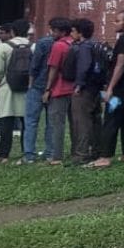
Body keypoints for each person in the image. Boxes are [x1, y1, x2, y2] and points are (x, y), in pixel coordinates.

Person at [88, 11, 124, 168]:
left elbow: (121, 64)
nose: (114, 23)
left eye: (117, 20)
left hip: (122, 83)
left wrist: (111, 87)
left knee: (112, 116)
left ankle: (105, 156)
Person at [22, 17, 65, 165]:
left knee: (31, 121)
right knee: (51, 122)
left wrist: (31, 84)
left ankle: (29, 154)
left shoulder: (43, 43)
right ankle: (50, 152)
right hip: (56, 87)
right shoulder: (66, 44)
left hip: (38, 85)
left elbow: (34, 65)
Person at [0, 21, 31, 164]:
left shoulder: (4, 47)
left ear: (13, 31)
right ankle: (27, 151)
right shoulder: (33, 46)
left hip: (7, 89)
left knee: (6, 123)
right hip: (27, 89)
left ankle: (3, 154)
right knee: (27, 123)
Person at [69, 18, 107, 165]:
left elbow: (83, 67)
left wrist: (79, 85)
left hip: (84, 89)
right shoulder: (97, 45)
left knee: (81, 122)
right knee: (96, 120)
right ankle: (97, 150)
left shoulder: (84, 47)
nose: (71, 33)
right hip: (96, 88)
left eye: (73, 31)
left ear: (80, 33)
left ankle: (82, 154)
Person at [41, 19, 76, 165]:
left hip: (59, 89)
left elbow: (53, 69)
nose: (51, 33)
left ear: (61, 32)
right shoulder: (74, 43)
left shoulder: (58, 46)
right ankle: (77, 152)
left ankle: (57, 156)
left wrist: (47, 89)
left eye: (54, 30)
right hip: (75, 89)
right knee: (75, 124)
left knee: (57, 124)